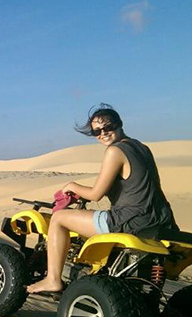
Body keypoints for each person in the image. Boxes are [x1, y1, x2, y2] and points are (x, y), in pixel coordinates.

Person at [26, 104, 177, 294]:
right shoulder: (142, 147)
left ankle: (52, 279)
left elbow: (96, 194)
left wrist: (71, 186)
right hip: (161, 219)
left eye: (108, 127)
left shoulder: (115, 151)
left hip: (130, 220)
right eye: (97, 131)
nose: (103, 133)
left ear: (119, 124)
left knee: (58, 219)